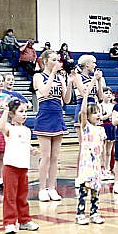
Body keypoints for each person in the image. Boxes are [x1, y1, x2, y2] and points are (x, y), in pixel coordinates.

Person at [32, 52, 71, 202]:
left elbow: (66, 100)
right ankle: (42, 188)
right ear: (45, 61)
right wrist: (53, 74)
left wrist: (70, 82)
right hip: (44, 116)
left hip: (58, 117)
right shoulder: (38, 77)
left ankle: (52, 188)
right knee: (46, 156)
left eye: (58, 60)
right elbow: (44, 92)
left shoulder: (60, 78)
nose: (57, 62)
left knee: (55, 157)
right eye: (54, 60)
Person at [0, 99, 40, 234]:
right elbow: (1, 126)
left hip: (23, 167)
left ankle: (24, 220)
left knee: (22, 195)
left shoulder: (27, 130)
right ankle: (10, 222)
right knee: (10, 196)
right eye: (21, 112)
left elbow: (23, 143)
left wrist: (31, 149)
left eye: (25, 112)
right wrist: (5, 110)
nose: (24, 114)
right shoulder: (10, 129)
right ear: (12, 114)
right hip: (11, 166)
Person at [74, 72, 106, 225]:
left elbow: (104, 148)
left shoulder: (101, 129)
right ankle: (80, 213)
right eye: (95, 113)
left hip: (97, 163)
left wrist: (104, 164)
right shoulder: (86, 127)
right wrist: (86, 97)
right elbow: (83, 113)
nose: (98, 116)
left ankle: (94, 212)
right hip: (86, 162)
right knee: (84, 188)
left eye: (99, 113)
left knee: (95, 189)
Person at [100, 87, 116, 179]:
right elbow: (101, 118)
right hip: (104, 127)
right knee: (103, 150)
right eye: (106, 93)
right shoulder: (100, 105)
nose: (109, 94)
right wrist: (109, 114)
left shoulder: (113, 106)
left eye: (110, 93)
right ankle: (103, 168)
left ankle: (108, 168)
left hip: (112, 127)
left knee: (109, 151)